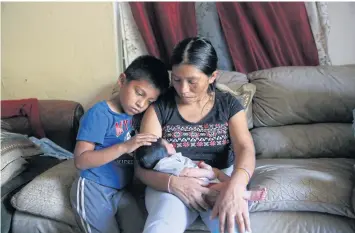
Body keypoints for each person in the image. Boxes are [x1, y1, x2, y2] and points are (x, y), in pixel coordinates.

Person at [135, 37, 256, 233]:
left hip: (217, 181)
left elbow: (245, 148)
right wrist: (173, 183)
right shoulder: (159, 108)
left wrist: (236, 184)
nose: (183, 90)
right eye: (176, 79)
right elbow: (142, 166)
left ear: (212, 76)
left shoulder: (228, 105)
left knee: (233, 228)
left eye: (192, 81)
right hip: (171, 185)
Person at [69, 55, 170, 233]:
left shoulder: (138, 117)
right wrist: (124, 147)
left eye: (150, 101)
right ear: (122, 80)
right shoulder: (100, 113)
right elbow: (80, 160)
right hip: (93, 187)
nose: (141, 104)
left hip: (121, 190)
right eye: (139, 93)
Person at [135, 138, 267, 207]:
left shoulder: (168, 161)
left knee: (225, 180)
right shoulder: (167, 163)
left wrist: (204, 168)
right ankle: (246, 194)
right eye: (169, 144)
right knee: (224, 188)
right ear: (163, 152)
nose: (172, 145)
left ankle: (237, 188)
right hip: (201, 185)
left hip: (204, 179)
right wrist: (206, 173)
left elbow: (187, 166)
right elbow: (186, 172)